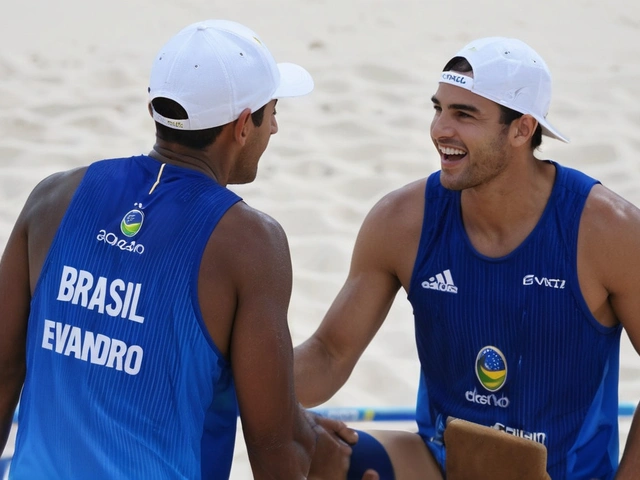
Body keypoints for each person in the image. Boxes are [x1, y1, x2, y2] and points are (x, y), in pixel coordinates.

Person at [0, 19, 363, 480]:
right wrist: (318, 452)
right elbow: (276, 453)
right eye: (272, 111)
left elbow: (3, 372)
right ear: (240, 126)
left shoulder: (52, 198)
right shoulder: (251, 244)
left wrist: (300, 428)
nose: (276, 126)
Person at [294, 36, 640, 479]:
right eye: (438, 108)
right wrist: (229, 380)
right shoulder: (401, 220)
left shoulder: (606, 230)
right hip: (442, 466)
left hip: (566, 474)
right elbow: (328, 354)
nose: (440, 129)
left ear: (522, 128)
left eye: (464, 115)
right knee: (323, 457)